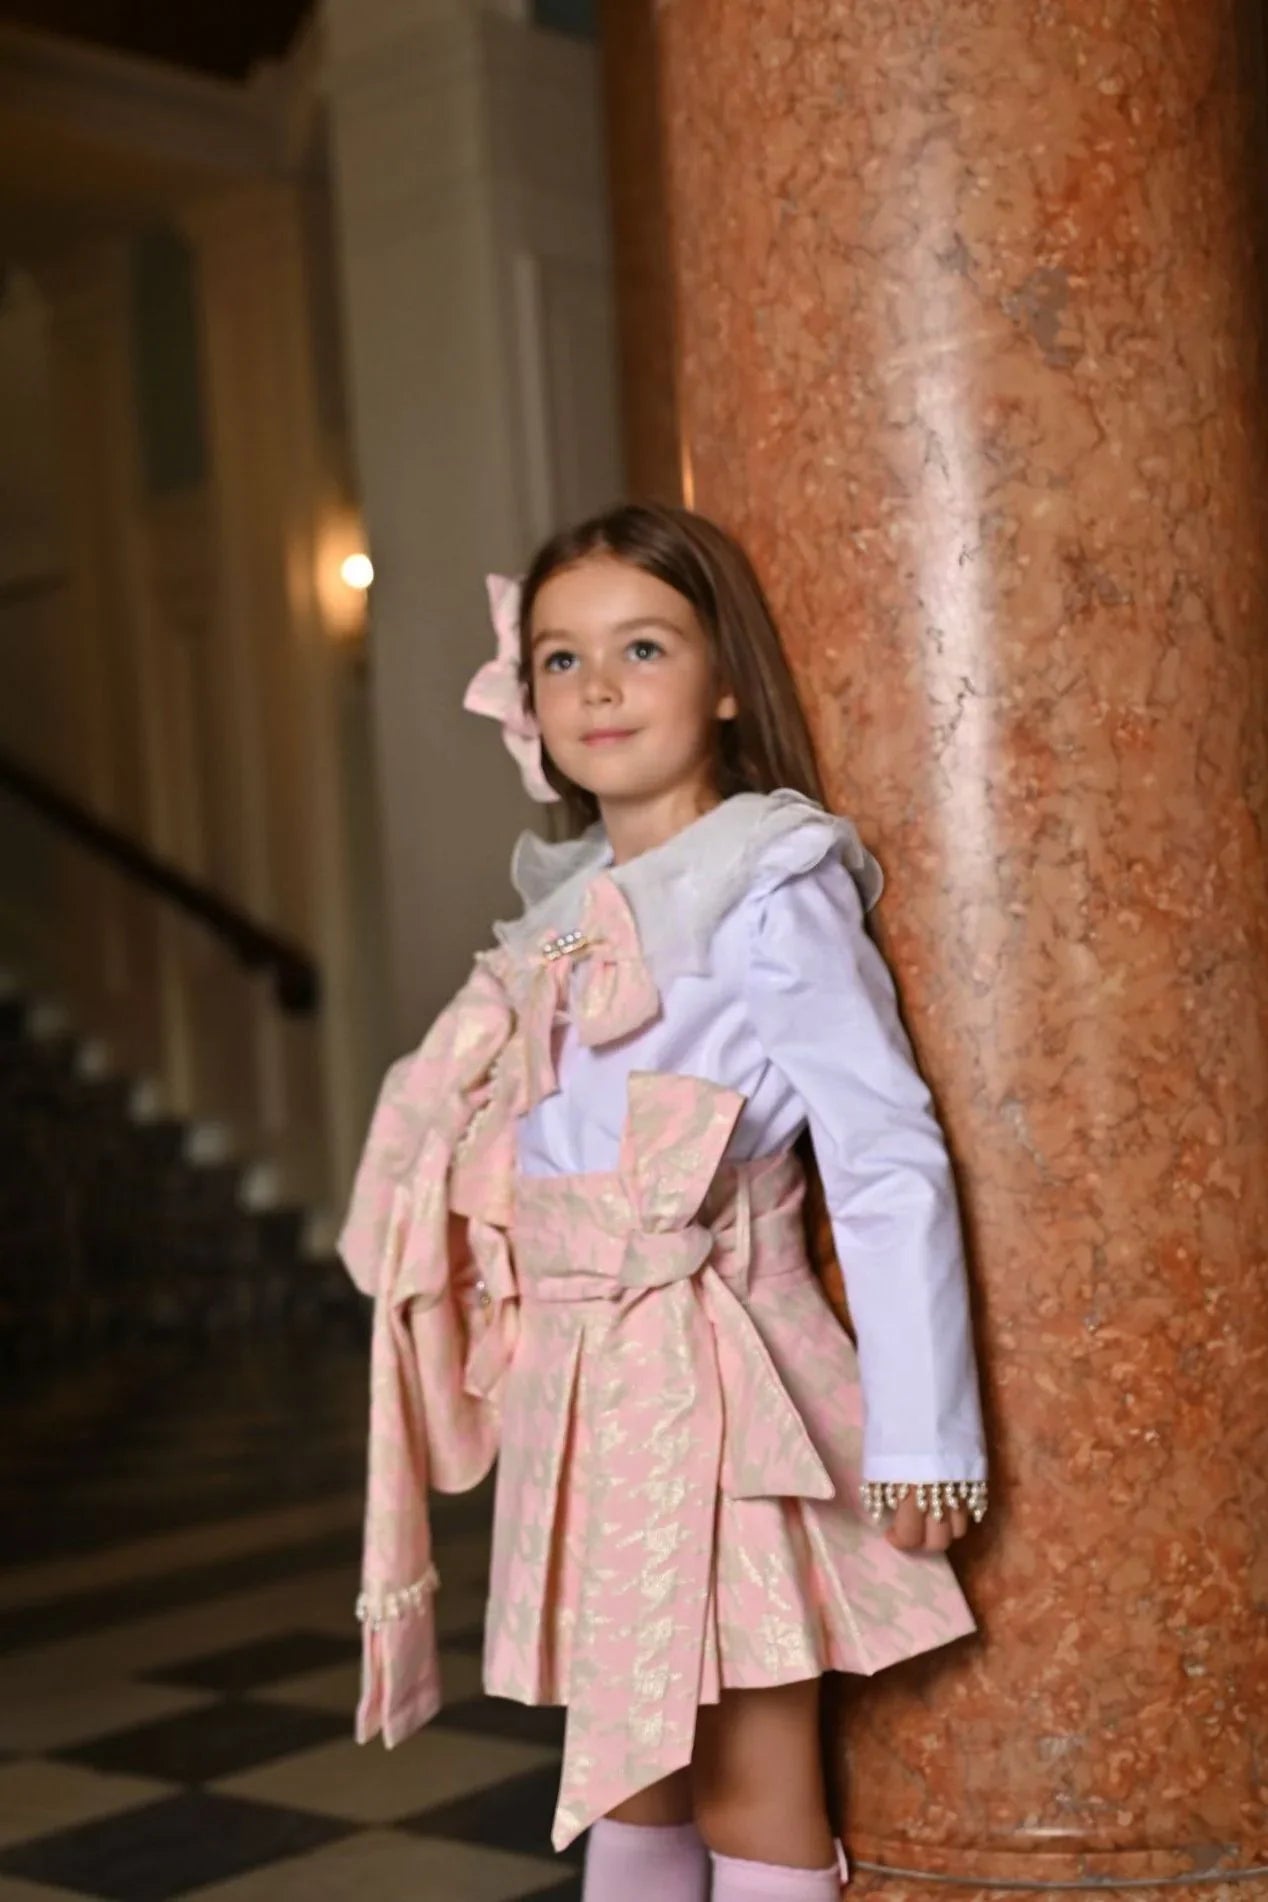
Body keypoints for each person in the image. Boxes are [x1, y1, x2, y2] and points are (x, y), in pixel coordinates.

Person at [339, 503, 989, 1902]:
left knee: (754, 1757)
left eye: (641, 646)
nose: (600, 686)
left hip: (717, 1390)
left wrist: (927, 1428)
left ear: (728, 679)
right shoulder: (566, 914)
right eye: (561, 661)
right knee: (622, 1761)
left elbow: (883, 1150)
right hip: (584, 1395)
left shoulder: (772, 881)